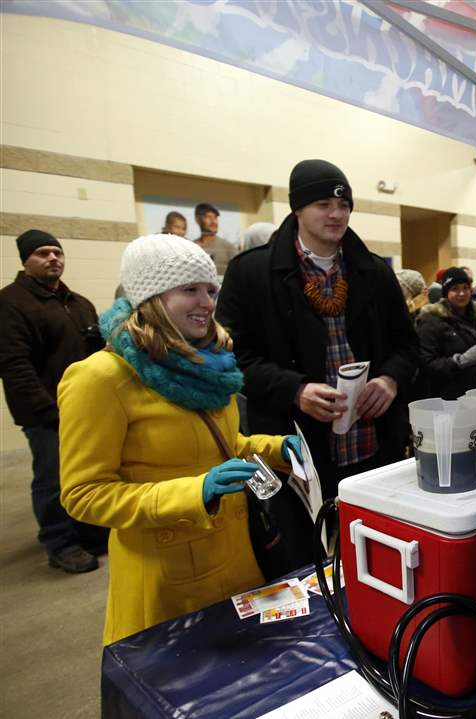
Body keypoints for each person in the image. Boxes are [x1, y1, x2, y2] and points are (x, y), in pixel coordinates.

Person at [56, 234, 301, 644]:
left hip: (239, 561)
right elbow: (84, 493)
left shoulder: (208, 364)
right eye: (190, 289)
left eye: (210, 290)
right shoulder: (101, 378)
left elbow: (223, 444)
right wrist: (195, 492)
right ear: (150, 297)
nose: (207, 302)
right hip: (168, 580)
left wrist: (276, 449)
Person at [217, 159, 417, 510]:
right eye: (323, 204)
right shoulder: (251, 273)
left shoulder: (374, 273)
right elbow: (233, 359)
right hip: (295, 450)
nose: (335, 214)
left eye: (343, 205)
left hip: (372, 445)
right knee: (308, 552)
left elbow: (408, 345)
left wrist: (390, 380)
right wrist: (294, 390)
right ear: (298, 208)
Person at [0, 230, 106, 573]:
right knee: (53, 477)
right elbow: (15, 364)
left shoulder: (78, 302)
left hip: (85, 408)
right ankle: (60, 542)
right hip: (46, 413)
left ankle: (89, 532)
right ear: (25, 260)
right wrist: (49, 411)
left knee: (90, 471)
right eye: (42, 253)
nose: (52, 259)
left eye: (57, 252)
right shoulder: (11, 303)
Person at [417, 267, 476, 400]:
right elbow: (426, 363)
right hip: (449, 397)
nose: (462, 293)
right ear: (446, 293)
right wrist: (459, 361)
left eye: (465, 288)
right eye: (455, 289)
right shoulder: (432, 321)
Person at [193, 202, 239, 276]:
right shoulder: (191, 247)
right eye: (209, 217)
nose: (214, 222)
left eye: (215, 218)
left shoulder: (228, 247)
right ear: (197, 220)